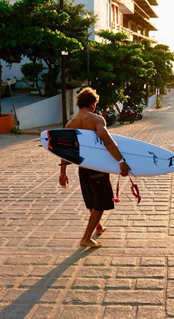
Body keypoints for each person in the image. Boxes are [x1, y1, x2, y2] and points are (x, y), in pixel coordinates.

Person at [59, 87, 131, 248]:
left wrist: (63, 172)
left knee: (92, 199)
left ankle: (98, 227)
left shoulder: (70, 124)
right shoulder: (96, 120)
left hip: (83, 167)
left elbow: (65, 149)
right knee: (101, 203)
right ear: (92, 104)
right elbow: (108, 141)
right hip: (97, 168)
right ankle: (86, 238)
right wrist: (121, 161)